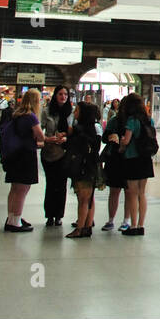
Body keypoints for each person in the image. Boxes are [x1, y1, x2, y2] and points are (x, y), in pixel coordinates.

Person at [0, 89, 44, 232]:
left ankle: (12, 217)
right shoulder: (31, 117)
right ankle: (16, 221)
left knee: (14, 189)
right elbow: (40, 135)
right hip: (25, 156)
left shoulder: (17, 114)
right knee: (23, 189)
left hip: (14, 155)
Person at [64, 102, 103, 238]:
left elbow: (75, 146)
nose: (75, 113)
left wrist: (70, 136)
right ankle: (87, 226)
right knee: (89, 198)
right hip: (91, 165)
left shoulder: (80, 129)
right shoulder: (95, 128)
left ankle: (80, 228)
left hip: (83, 166)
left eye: (77, 111)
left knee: (83, 198)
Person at [118, 92, 154, 235]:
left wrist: (121, 142)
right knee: (141, 193)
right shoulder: (148, 120)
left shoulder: (132, 120)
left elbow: (126, 141)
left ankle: (133, 226)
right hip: (145, 158)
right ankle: (141, 225)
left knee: (132, 194)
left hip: (132, 158)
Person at [39, 86, 72, 228]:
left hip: (64, 153)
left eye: (65, 94)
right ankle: (49, 215)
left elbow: (74, 131)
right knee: (51, 184)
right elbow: (40, 130)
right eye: (60, 94)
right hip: (49, 152)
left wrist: (65, 138)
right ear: (55, 95)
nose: (63, 97)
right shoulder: (47, 112)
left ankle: (59, 215)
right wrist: (47, 139)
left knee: (61, 184)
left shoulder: (71, 112)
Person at [101, 104, 128, 232]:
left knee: (126, 192)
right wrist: (112, 137)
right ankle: (112, 219)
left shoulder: (133, 121)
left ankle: (125, 220)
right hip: (116, 159)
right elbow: (104, 137)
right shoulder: (114, 121)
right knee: (115, 191)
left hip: (126, 159)